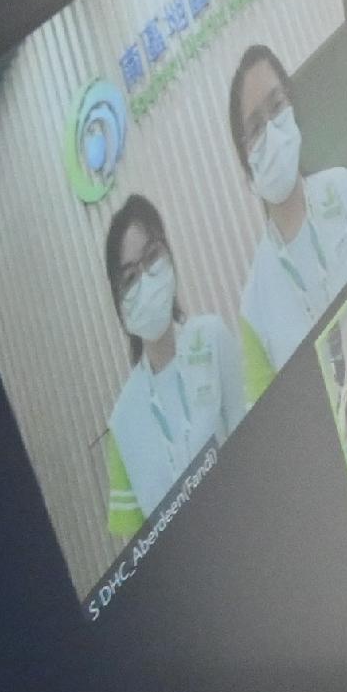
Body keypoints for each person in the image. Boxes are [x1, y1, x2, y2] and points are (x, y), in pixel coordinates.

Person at [228, 43, 347, 397]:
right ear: (245, 161)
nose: (270, 132)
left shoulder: (341, 189)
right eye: (254, 128)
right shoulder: (254, 302)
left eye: (277, 106)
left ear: (293, 108)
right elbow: (273, 417)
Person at [98, 194, 239, 541]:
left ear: (169, 255)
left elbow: (255, 445)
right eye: (130, 277)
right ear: (119, 301)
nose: (145, 280)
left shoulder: (213, 338)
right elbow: (139, 556)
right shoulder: (122, 423)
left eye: (152, 258)